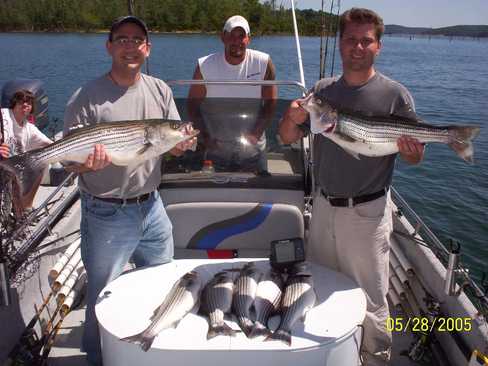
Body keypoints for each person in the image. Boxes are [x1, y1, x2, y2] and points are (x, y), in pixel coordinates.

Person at [279, 8, 424, 366]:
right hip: (323, 206)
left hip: (367, 214)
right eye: (350, 40)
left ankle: (375, 357)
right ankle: (324, 352)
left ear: (379, 46)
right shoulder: (322, 92)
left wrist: (412, 152)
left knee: (372, 299)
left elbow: (414, 158)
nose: (357, 47)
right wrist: (292, 116)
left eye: (366, 40)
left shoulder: (395, 95)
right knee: (320, 285)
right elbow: (285, 136)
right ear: (341, 44)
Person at [63, 16, 195, 366]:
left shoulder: (160, 90)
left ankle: (153, 351)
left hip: (152, 208)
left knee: (161, 283)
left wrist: (179, 145)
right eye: (122, 39)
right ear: (109, 47)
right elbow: (68, 161)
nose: (130, 46)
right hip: (106, 212)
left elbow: (168, 140)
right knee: (101, 295)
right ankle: (97, 356)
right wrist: (85, 164)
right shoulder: (87, 97)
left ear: (147, 49)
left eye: (138, 39)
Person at [188, 15, 277, 172]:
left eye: (241, 36)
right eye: (231, 35)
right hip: (216, 151)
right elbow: (192, 106)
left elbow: (271, 102)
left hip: (253, 151)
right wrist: (206, 138)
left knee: (258, 196)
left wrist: (256, 134)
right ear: (223, 37)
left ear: (248, 39)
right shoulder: (205, 66)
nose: (236, 41)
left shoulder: (264, 63)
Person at [0, 89, 52, 211]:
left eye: (28, 103)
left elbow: (50, 144)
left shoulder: (29, 128)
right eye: (21, 102)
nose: (25, 105)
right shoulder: (2, 116)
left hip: (13, 168)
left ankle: (24, 208)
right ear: (14, 104)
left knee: (40, 165)